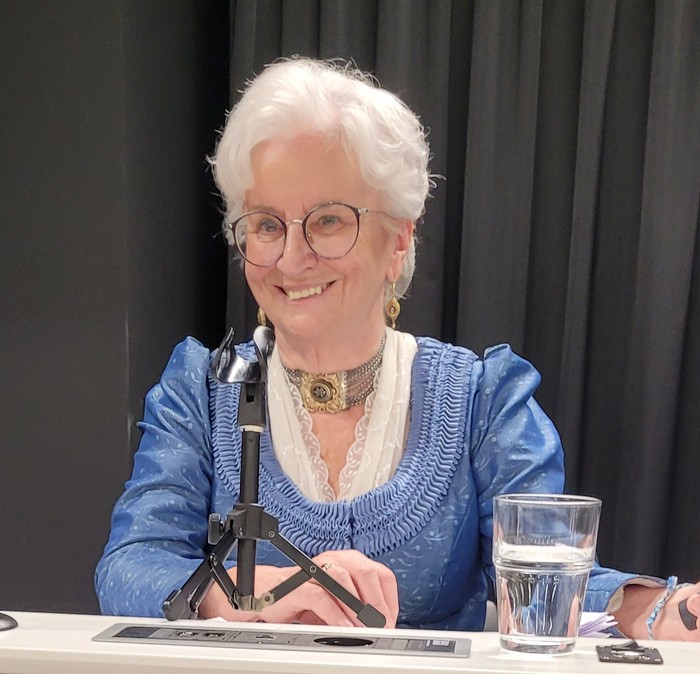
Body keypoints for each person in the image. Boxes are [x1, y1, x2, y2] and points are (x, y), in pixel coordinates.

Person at [95, 57, 699, 640]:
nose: (292, 258)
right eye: (267, 224)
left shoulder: (483, 400)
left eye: (328, 220)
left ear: (399, 239)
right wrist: (255, 592)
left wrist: (658, 609)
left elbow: (548, 581)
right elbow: (130, 567)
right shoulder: (202, 391)